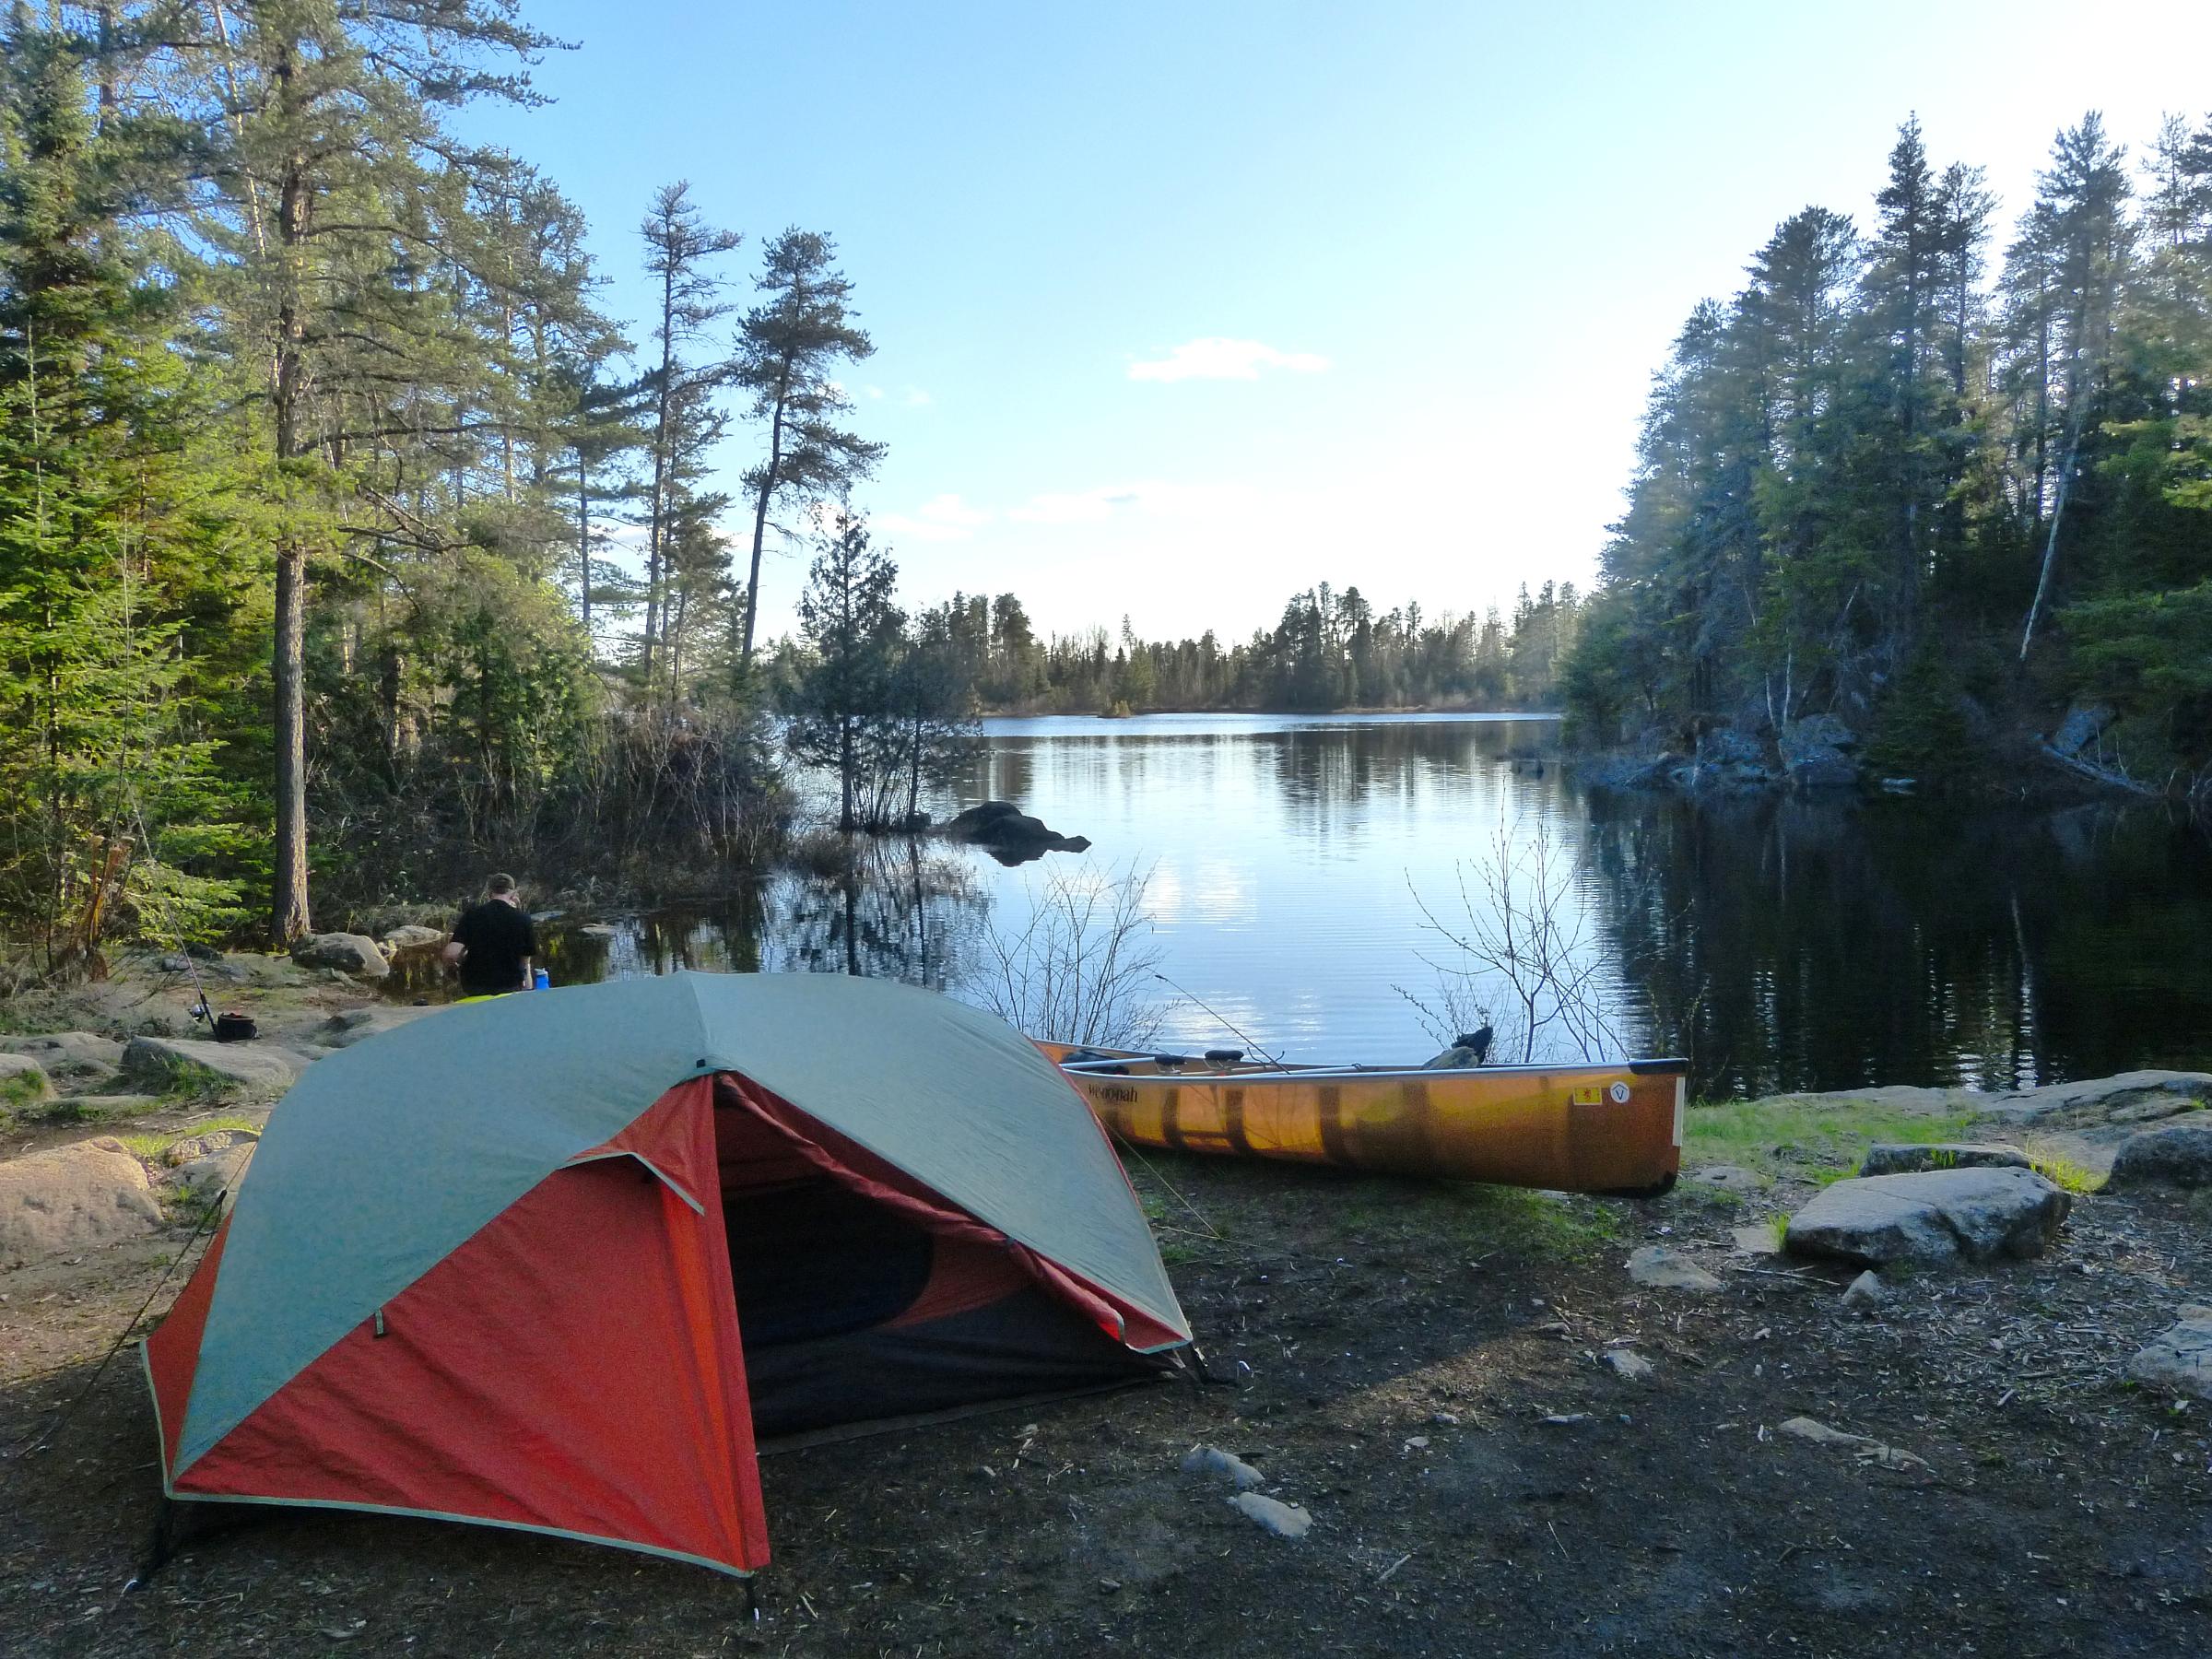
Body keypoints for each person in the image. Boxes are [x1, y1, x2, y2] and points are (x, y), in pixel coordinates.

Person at [441, 873, 537, 996]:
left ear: (490, 893)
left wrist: (456, 965)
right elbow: (525, 964)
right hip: (510, 986)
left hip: (475, 986)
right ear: (513, 894)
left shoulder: (473, 915)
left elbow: (450, 954)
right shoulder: (523, 919)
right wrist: (528, 992)